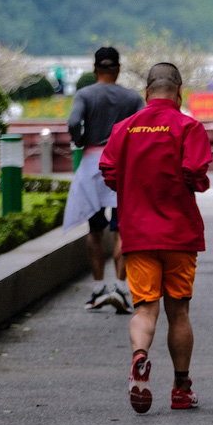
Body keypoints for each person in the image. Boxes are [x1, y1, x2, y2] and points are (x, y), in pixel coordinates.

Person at [99, 63, 213, 413]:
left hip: (138, 234)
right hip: (179, 235)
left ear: (147, 92)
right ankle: (181, 388)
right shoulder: (189, 126)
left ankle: (139, 358)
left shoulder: (124, 129)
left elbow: (109, 172)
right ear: (179, 92)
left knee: (145, 310)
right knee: (178, 312)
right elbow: (195, 173)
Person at [64, 46, 145, 312]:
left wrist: (81, 141)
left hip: (91, 164)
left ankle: (98, 287)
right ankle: (121, 287)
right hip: (123, 165)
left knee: (95, 229)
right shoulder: (131, 98)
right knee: (122, 229)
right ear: (118, 68)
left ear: (95, 68)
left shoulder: (85, 94)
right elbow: (145, 125)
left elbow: (73, 122)